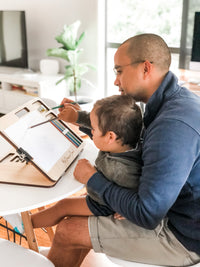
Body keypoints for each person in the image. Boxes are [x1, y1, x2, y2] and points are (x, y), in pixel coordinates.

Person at [43, 33, 200, 267]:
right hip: (170, 208)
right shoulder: (173, 100)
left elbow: (146, 214)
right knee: (77, 214)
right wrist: (81, 118)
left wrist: (92, 178)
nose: (116, 81)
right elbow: (127, 134)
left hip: (183, 236)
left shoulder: (171, 128)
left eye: (119, 71)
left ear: (145, 68)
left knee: (67, 230)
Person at [31, 94, 143, 227]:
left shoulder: (121, 170)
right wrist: (77, 116)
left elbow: (134, 192)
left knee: (63, 206)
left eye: (94, 129)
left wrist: (126, 210)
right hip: (104, 197)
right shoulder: (122, 145)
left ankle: (24, 226)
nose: (92, 132)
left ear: (110, 137)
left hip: (105, 205)